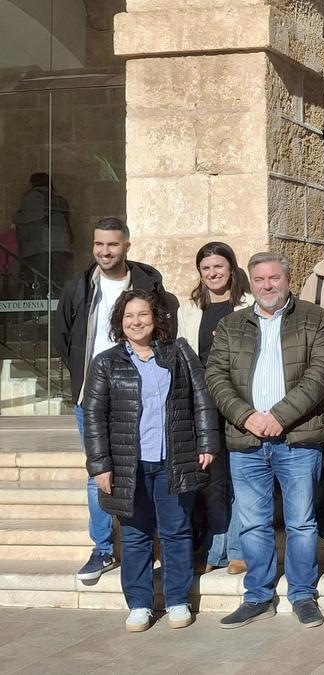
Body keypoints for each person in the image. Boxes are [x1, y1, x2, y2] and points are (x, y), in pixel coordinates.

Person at [205, 252, 324, 630]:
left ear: (287, 279)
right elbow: (215, 377)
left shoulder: (315, 319)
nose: (267, 285)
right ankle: (259, 595)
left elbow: (321, 372)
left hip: (297, 439)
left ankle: (301, 594)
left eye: (274, 278)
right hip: (246, 440)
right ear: (250, 283)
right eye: (260, 279)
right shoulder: (232, 326)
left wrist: (279, 416)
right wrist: (247, 416)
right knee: (252, 524)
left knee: (300, 522)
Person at [82, 288, 220, 632]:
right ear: (119, 322)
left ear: (156, 318)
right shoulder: (106, 362)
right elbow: (94, 417)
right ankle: (140, 605)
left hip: (175, 458)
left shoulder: (179, 353)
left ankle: (177, 600)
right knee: (134, 536)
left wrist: (207, 442)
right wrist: (100, 465)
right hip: (130, 464)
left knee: (175, 532)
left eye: (142, 314)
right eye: (128, 316)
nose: (136, 321)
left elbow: (201, 400)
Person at [54, 217, 178, 582]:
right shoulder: (80, 286)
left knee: (149, 468)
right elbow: (62, 337)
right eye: (98, 245)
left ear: (126, 246)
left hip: (143, 396)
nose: (104, 251)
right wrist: (86, 379)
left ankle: (148, 542)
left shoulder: (148, 286)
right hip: (92, 399)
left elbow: (164, 331)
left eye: (112, 245)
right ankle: (104, 549)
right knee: (100, 473)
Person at [176, 242, 253, 575]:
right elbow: (183, 356)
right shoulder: (189, 309)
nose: (212, 274)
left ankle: (238, 548)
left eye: (219, 267)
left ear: (232, 268)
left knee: (240, 478)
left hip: (240, 400)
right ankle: (215, 546)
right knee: (213, 480)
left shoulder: (247, 305)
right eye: (206, 268)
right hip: (204, 404)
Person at [12, 172, 73, 289]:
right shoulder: (59, 200)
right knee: (58, 286)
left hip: (39, 248)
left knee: (39, 286)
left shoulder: (32, 197)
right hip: (63, 248)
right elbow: (69, 230)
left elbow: (25, 221)